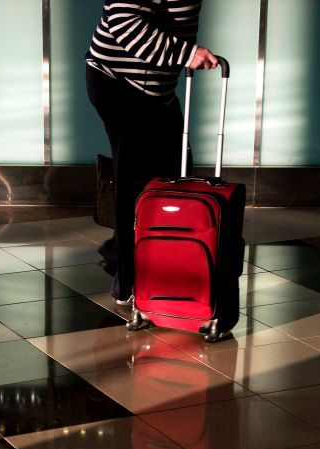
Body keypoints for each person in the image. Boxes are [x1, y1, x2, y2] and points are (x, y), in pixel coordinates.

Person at [85, 0, 219, 304]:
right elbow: (124, 21)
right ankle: (129, 282)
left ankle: (123, 248)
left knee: (175, 170)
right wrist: (187, 53)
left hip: (156, 86)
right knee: (135, 178)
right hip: (119, 80)